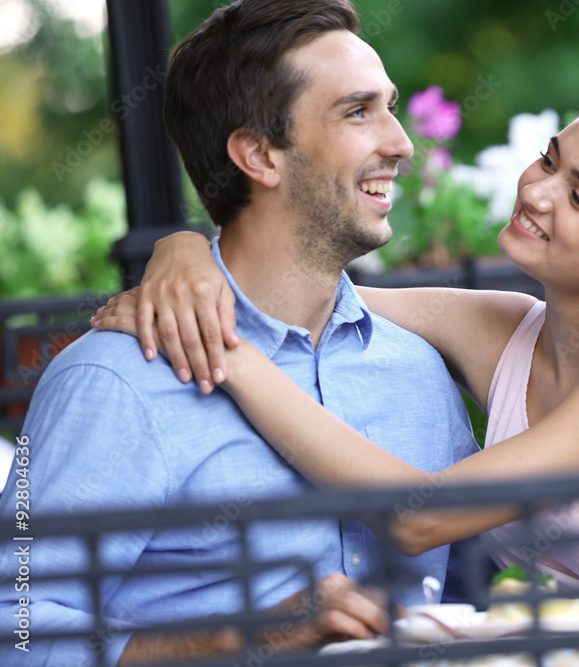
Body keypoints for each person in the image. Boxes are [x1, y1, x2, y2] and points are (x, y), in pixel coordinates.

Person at [95, 86, 579, 589]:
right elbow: (300, 289)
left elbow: (420, 516)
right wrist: (184, 253)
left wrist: (231, 358)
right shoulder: (504, 327)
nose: (536, 189)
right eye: (551, 158)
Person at [0, 0, 480, 664]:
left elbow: (472, 597)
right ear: (258, 154)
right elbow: (13, 622)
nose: (400, 143)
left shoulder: (418, 369)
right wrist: (237, 635)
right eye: (357, 112)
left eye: (391, 107)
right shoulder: (111, 378)